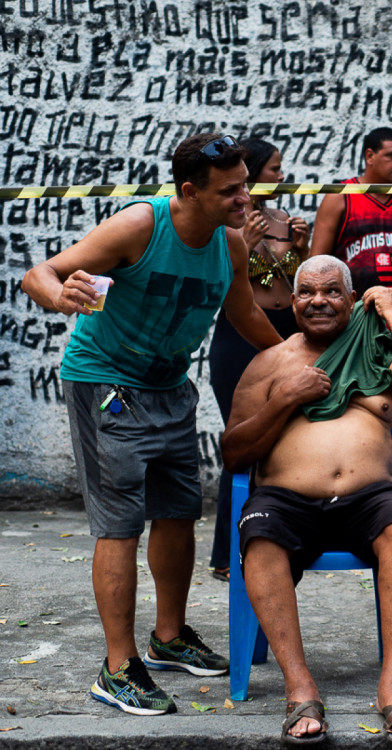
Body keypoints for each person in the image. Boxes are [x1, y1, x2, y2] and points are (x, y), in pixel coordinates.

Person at [22, 133, 284, 715]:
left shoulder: (230, 244)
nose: (246, 199)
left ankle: (169, 636)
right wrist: (61, 297)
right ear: (189, 191)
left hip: (169, 389)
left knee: (177, 513)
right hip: (107, 385)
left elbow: (243, 314)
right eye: (231, 191)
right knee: (120, 525)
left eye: (246, 185)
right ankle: (116, 668)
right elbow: (42, 273)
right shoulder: (140, 225)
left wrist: (299, 359)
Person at [221, 256, 392, 744]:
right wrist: (284, 398)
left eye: (332, 291)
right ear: (293, 300)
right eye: (307, 292)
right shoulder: (270, 363)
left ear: (350, 297)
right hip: (286, 500)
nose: (318, 300)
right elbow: (234, 453)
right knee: (259, 537)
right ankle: (299, 688)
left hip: (373, 495)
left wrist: (390, 310)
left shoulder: (376, 347)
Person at [207, 137, 311, 582]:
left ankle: (271, 542)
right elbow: (231, 284)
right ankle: (227, 554)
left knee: (280, 438)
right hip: (238, 335)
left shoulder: (286, 220)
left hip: (284, 332)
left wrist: (301, 250)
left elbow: (284, 284)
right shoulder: (227, 227)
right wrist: (246, 246)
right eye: (272, 169)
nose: (279, 176)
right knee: (243, 440)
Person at [311, 126, 392, 421]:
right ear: (369, 156)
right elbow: (317, 264)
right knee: (360, 407)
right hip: (356, 327)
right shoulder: (340, 196)